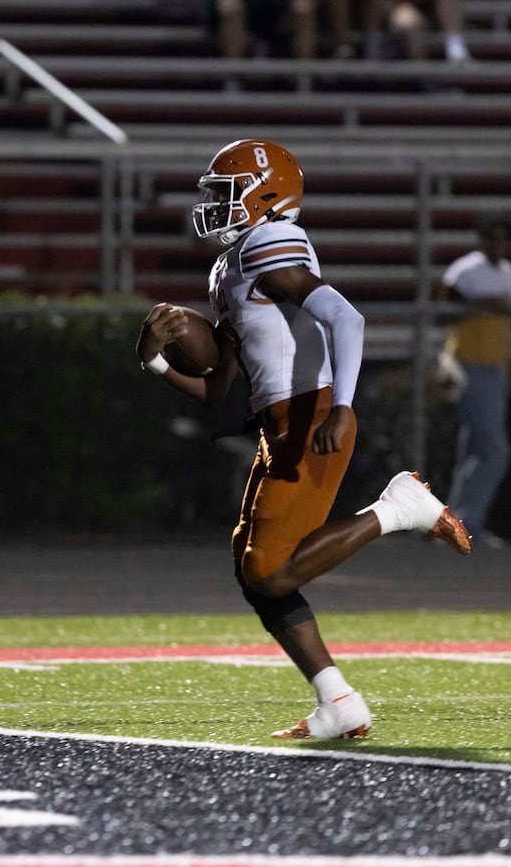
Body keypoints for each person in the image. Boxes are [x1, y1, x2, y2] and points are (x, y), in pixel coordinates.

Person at [136, 138, 471, 742]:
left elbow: (348, 318)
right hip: (277, 423)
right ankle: (337, 701)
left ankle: (398, 509)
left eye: (227, 192)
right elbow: (217, 392)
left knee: (268, 569)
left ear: (265, 194)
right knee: (252, 568)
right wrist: (156, 364)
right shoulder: (231, 264)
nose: (217, 205)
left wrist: (341, 407)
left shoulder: (269, 241)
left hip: (311, 415)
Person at [434, 212, 511, 548]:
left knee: (475, 447)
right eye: (493, 238)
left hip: (495, 363)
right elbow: (442, 313)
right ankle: (468, 521)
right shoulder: (465, 271)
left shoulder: (508, 273)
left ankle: (455, 524)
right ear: (482, 239)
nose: (498, 245)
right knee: (495, 449)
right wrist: (486, 304)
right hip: (468, 364)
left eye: (504, 238)